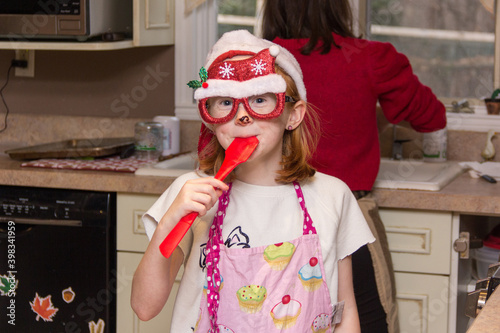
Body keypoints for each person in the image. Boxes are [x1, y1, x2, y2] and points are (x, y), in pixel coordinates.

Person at [131, 29, 375, 333]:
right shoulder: (189, 193)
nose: (243, 117)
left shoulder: (333, 196)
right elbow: (144, 307)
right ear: (210, 118)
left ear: (292, 115)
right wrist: (169, 222)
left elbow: (346, 310)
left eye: (260, 99)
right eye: (224, 103)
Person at [261, 1, 447, 333]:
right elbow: (430, 117)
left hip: (266, 221)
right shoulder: (370, 58)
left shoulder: (256, 62)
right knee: (369, 320)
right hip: (349, 222)